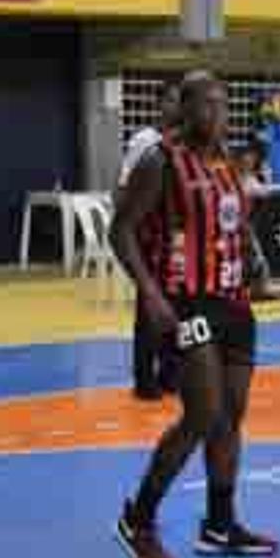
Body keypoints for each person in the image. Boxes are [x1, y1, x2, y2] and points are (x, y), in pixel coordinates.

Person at [111, 72, 278, 558]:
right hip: (184, 302)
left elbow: (238, 220)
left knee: (231, 416)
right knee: (202, 412)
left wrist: (257, 261)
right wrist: (151, 293)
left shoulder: (225, 158)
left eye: (222, 104)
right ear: (184, 108)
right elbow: (120, 231)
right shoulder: (160, 160)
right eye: (207, 104)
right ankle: (139, 518)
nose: (217, 112)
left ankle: (220, 524)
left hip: (233, 301)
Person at [121, 83, 181, 400]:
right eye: (171, 100)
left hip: (177, 239)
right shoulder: (144, 142)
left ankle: (170, 373)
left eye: (180, 101)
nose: (176, 106)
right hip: (149, 236)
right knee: (149, 307)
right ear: (160, 105)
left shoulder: (186, 144)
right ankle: (144, 379)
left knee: (180, 305)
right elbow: (125, 187)